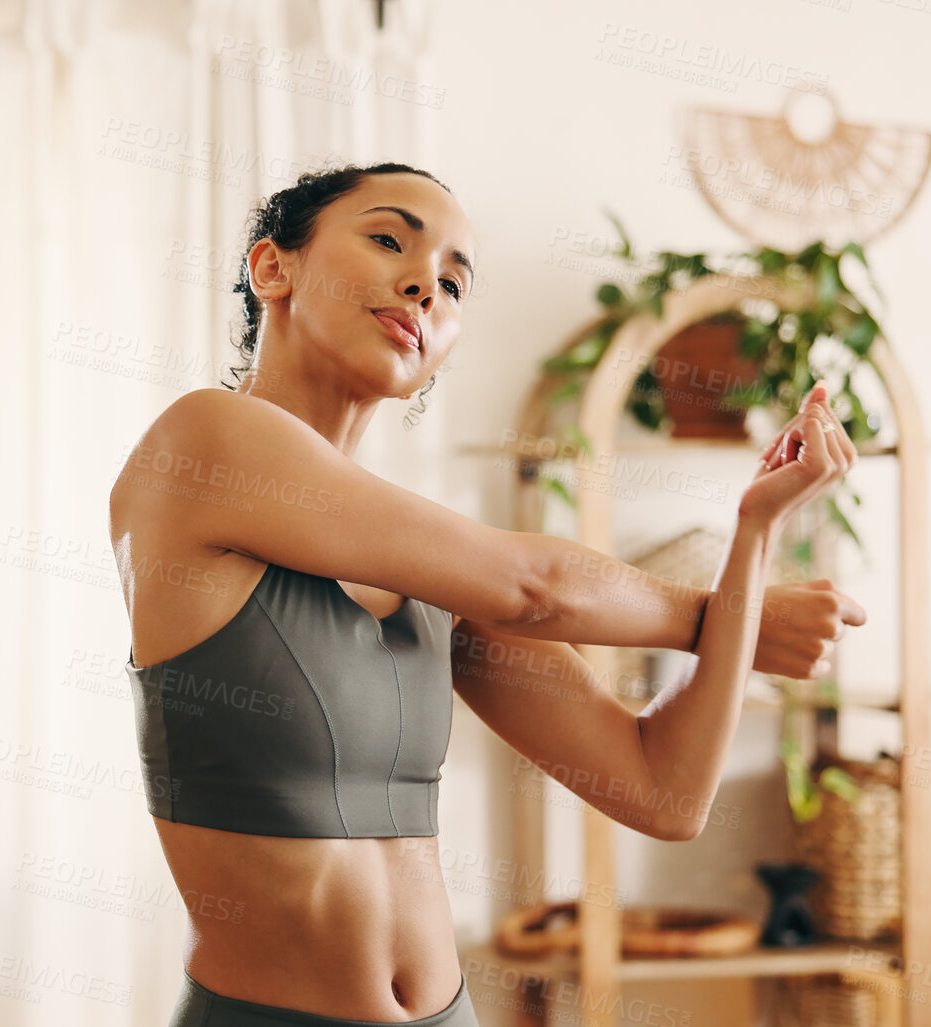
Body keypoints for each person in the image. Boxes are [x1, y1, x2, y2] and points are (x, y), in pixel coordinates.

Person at [108, 162, 866, 1027]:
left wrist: (753, 537)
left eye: (453, 282)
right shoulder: (203, 442)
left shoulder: (424, 572)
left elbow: (663, 791)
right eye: (389, 239)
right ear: (273, 269)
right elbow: (531, 585)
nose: (424, 284)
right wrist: (731, 621)